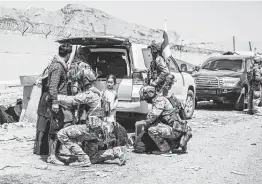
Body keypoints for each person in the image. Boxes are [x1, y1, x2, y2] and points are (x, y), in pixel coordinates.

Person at [135, 86, 192, 154]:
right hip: (179, 128)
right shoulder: (163, 98)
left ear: (148, 94)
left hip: (175, 130)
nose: (145, 100)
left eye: (145, 97)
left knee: (151, 130)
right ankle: (179, 141)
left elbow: (153, 116)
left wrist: (145, 125)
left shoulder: (159, 100)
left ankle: (165, 149)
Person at [46, 43, 73, 165]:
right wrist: (55, 103)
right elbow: (53, 86)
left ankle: (55, 153)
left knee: (59, 127)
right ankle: (51, 156)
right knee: (55, 128)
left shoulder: (59, 65)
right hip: (56, 101)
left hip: (60, 101)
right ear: (68, 54)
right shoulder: (58, 67)